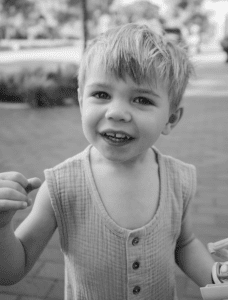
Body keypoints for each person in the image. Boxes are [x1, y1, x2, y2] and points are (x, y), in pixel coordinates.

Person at [0, 23, 215, 299]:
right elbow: (11, 271)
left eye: (141, 99)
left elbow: (184, 244)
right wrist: (2, 227)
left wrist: (219, 281)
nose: (116, 112)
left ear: (171, 119)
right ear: (81, 101)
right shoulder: (61, 186)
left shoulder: (179, 180)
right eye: (101, 95)